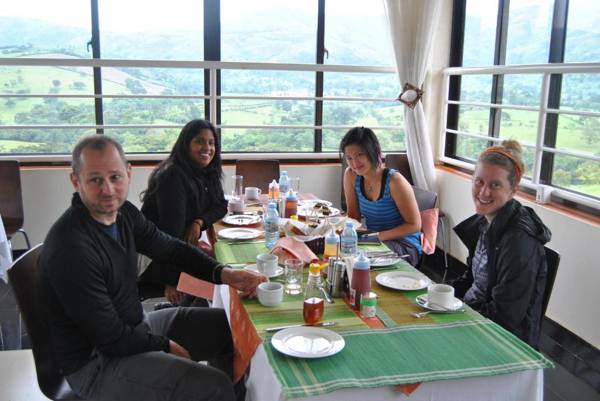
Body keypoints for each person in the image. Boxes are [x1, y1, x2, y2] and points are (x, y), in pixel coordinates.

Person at [40, 135, 266, 401]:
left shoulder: (123, 214)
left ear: (128, 172)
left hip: (135, 327)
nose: (108, 190)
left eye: (115, 177)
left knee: (232, 332)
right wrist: (166, 346)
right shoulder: (72, 248)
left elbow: (171, 249)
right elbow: (110, 337)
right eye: (95, 180)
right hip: (97, 364)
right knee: (212, 385)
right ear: (76, 181)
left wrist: (225, 274)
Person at [451, 140, 551, 348]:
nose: (484, 192)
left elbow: (505, 317)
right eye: (479, 182)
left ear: (513, 189)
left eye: (495, 184)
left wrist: (456, 322)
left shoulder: (518, 242)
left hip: (502, 341)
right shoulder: (485, 222)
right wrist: (439, 295)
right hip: (473, 315)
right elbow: (472, 279)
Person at [141, 119, 228, 306]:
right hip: (157, 256)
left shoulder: (206, 171)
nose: (207, 147)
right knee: (219, 272)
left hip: (180, 247)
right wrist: (172, 280)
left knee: (219, 265)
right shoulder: (172, 175)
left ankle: (194, 307)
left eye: (211, 143)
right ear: (186, 144)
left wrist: (199, 222)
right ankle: (185, 315)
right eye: (199, 141)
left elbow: (221, 205)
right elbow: (169, 234)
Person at [340, 127, 422, 266]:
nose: (354, 163)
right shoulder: (351, 175)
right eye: (349, 158)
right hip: (374, 240)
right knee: (342, 253)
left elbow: (414, 225)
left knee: (358, 260)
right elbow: (353, 216)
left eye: (360, 155)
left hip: (404, 245)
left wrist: (376, 237)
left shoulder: (394, 181)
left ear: (374, 151)